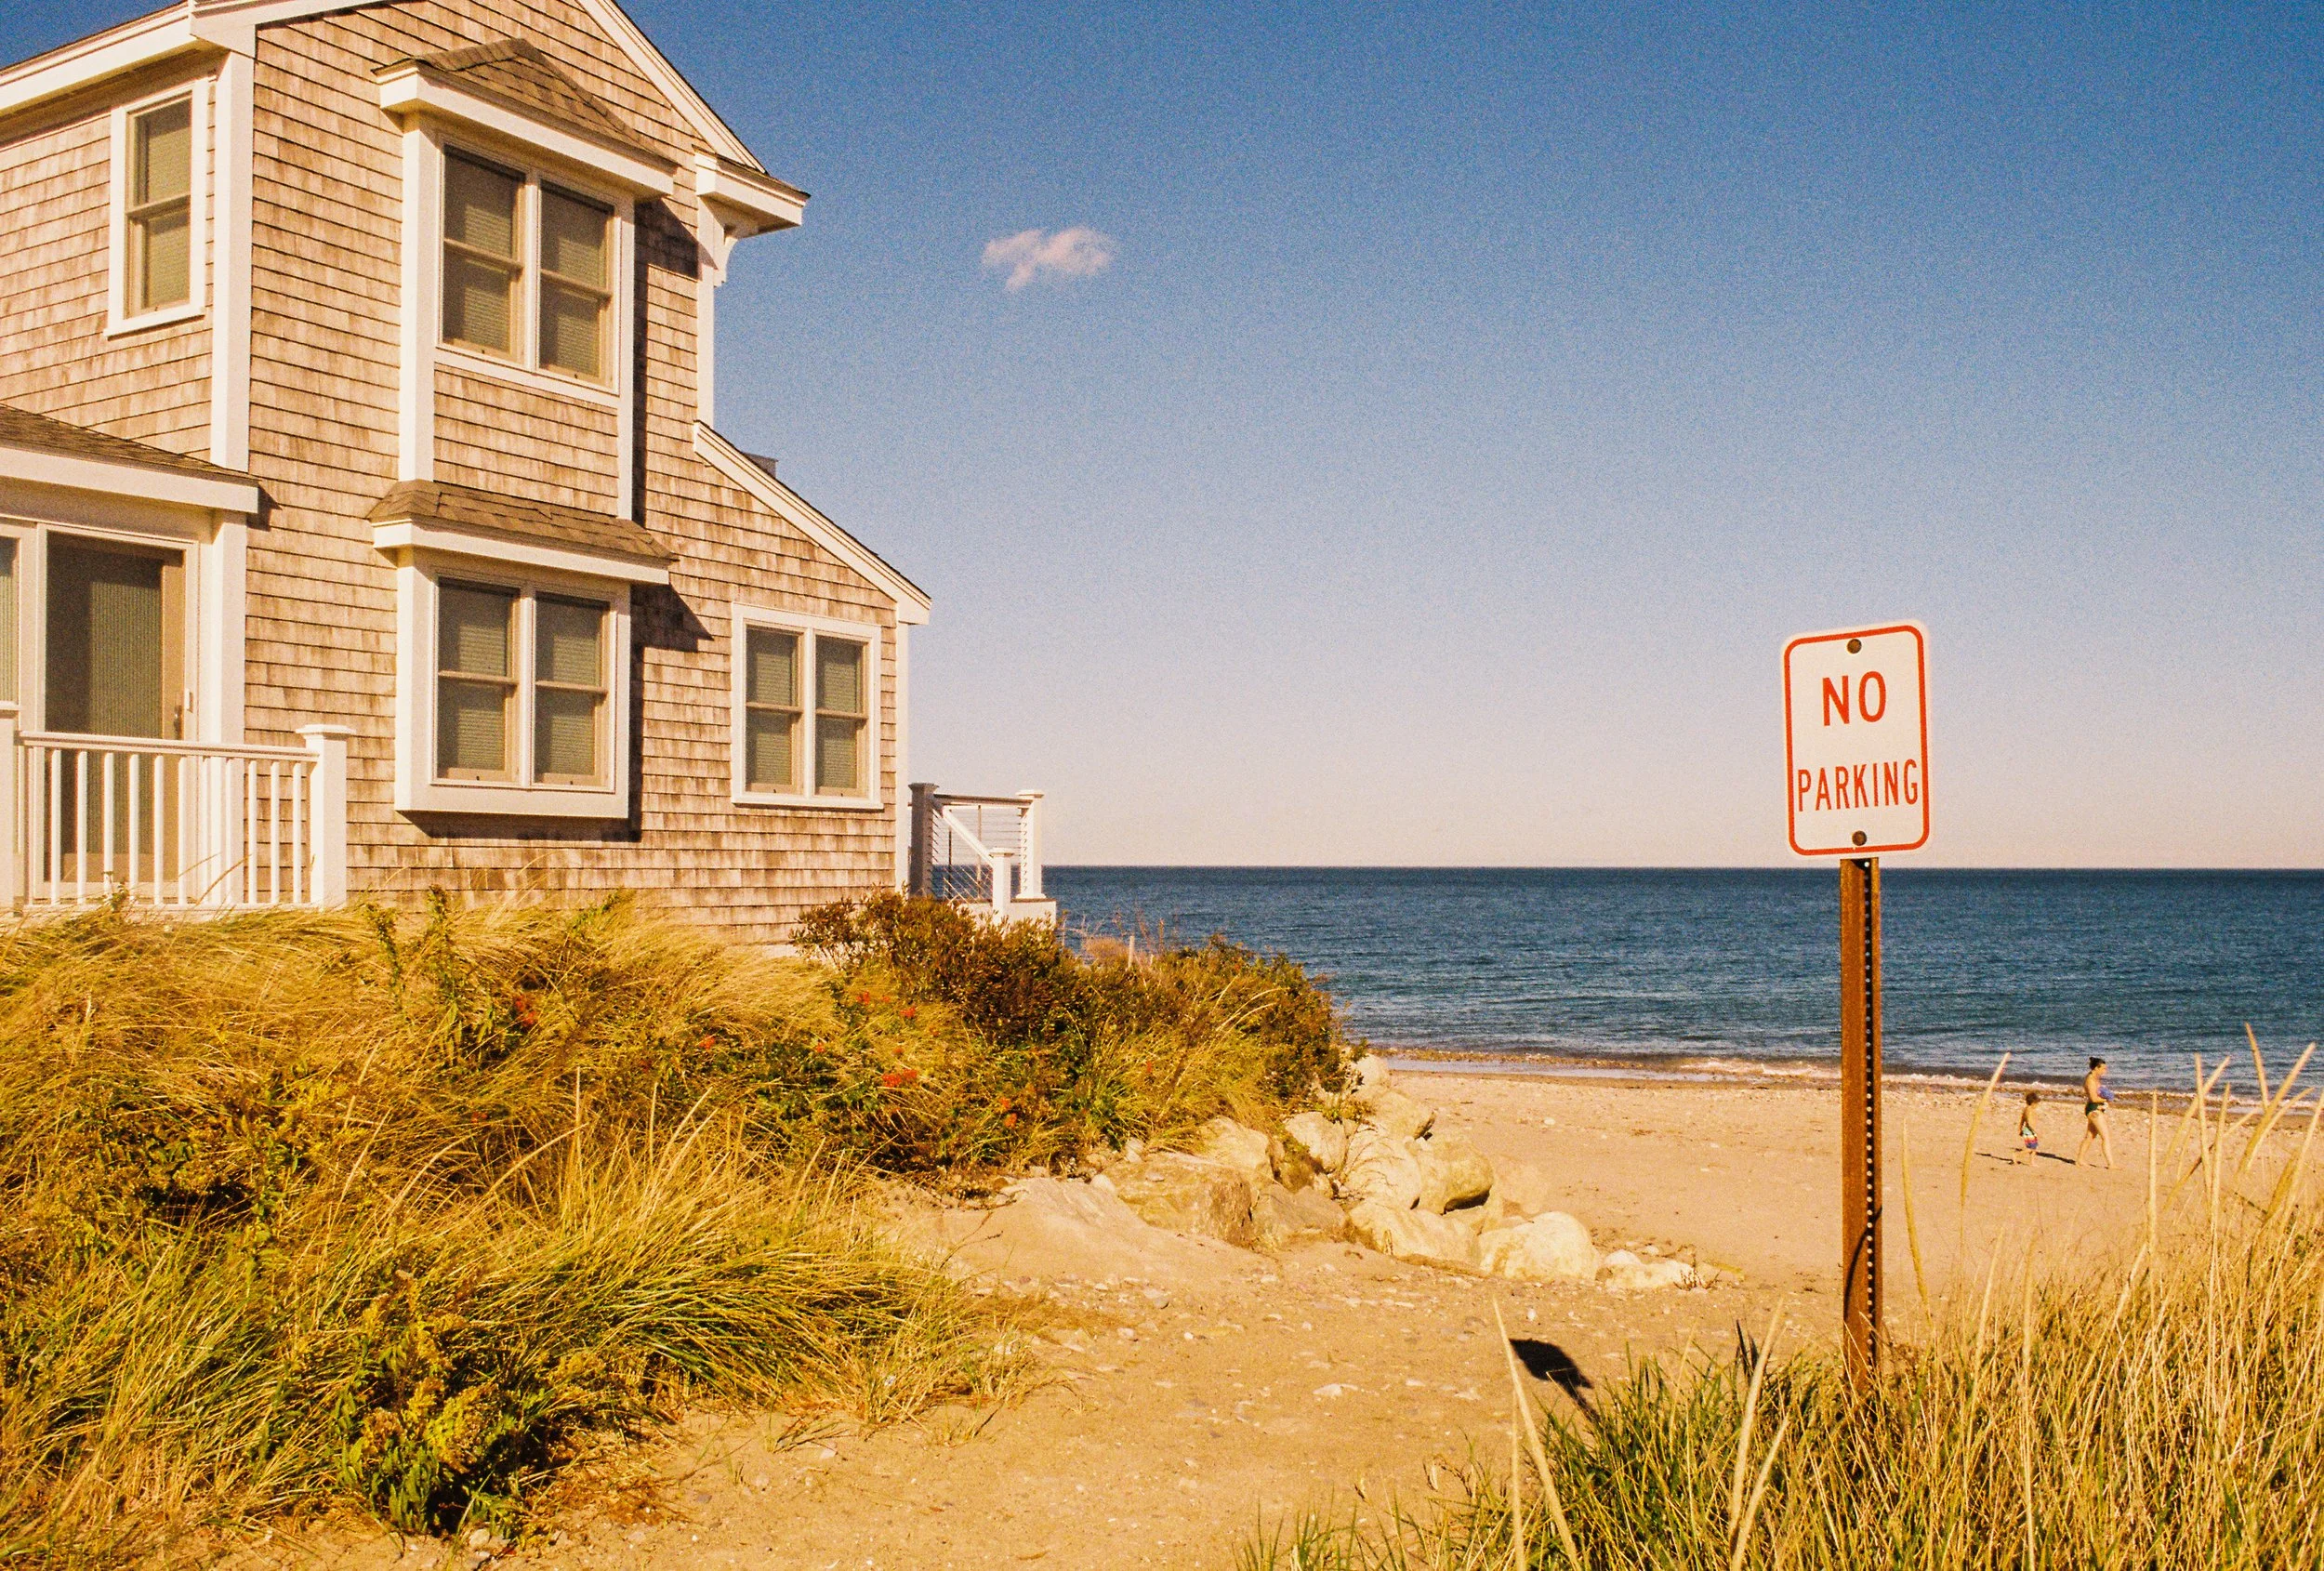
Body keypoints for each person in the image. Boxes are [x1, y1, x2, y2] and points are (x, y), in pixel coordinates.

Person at [2077, 1057, 2116, 1169]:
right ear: (2096, 1068)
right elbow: (2093, 1098)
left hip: (2095, 1108)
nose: (2105, 1071)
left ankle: (2080, 1159)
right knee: (2106, 1137)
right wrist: (2106, 1100)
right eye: (2103, 1068)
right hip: (2094, 1109)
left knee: (2090, 1136)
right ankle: (2111, 1164)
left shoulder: (2095, 1078)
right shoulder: (2090, 1080)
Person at [2014, 1090, 2041, 1164]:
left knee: (2034, 1148)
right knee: (2031, 1148)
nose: (2037, 1106)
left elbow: (2022, 1120)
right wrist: (2035, 1131)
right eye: (2037, 1104)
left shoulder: (2027, 1109)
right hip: (2029, 1131)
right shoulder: (2029, 1110)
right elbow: (2029, 1123)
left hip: (2028, 1130)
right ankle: (2016, 1155)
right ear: (2033, 1103)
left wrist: (2020, 1128)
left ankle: (2032, 1162)